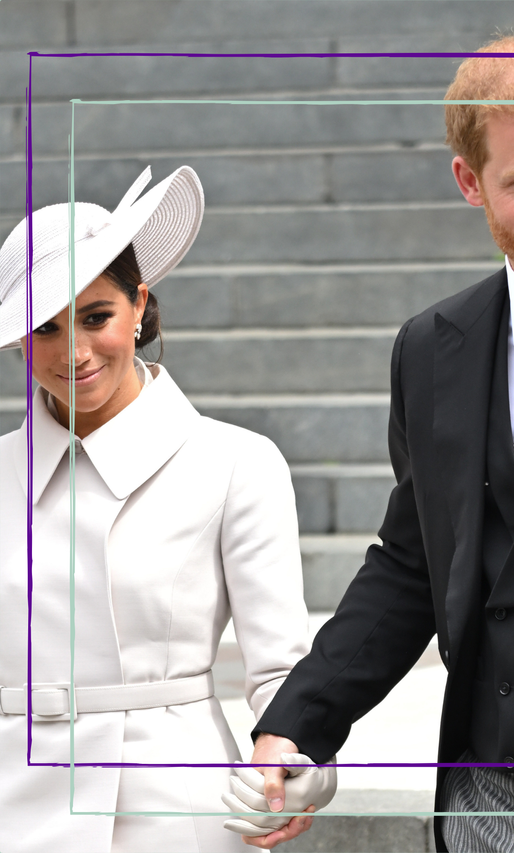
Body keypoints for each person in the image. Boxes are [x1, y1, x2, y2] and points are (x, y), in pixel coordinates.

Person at [239, 34, 514, 852]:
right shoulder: (432, 347)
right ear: (471, 182)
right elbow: (412, 561)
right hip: (487, 796)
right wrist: (298, 722)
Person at [0, 166, 312, 852]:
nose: (73, 352)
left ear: (139, 304)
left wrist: (298, 756)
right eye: (44, 329)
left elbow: (281, 669)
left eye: (95, 317)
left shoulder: (235, 462)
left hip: (177, 807)